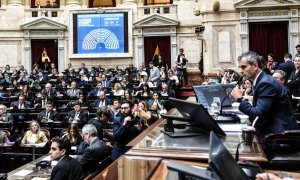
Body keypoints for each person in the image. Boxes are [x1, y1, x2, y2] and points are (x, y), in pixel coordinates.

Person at [231, 51, 299, 146]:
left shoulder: (265, 83)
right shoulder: (261, 80)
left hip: (279, 137)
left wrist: (240, 99)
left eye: (243, 67)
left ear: (255, 65)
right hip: (271, 130)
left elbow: (257, 114)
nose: (241, 71)